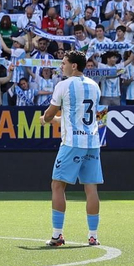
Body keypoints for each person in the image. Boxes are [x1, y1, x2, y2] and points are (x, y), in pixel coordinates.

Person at [41, 50, 103, 248]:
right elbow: (86, 116)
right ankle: (93, 236)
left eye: (64, 63)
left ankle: (57, 235)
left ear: (74, 66)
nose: (62, 66)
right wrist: (59, 120)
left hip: (72, 144)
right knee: (91, 188)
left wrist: (46, 119)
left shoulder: (64, 85)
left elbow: (50, 114)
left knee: (57, 185)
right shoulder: (94, 86)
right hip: (92, 143)